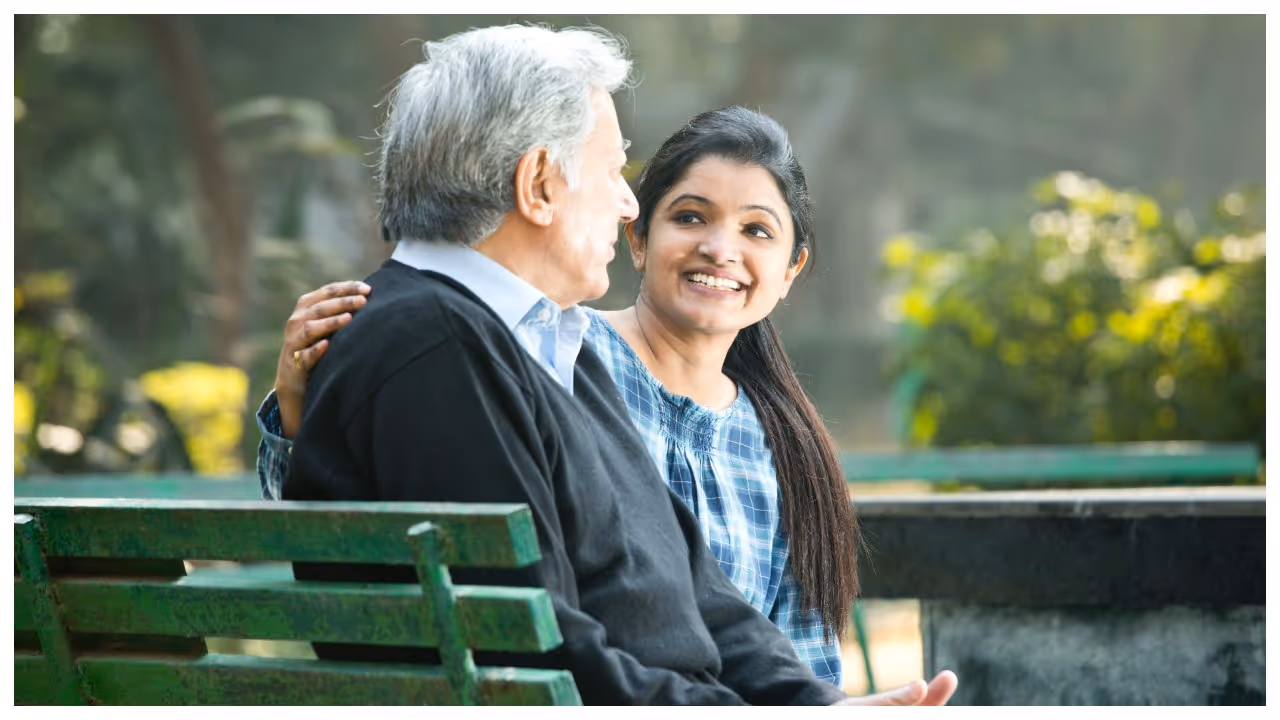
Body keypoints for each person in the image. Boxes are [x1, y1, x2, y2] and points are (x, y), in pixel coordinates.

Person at [264, 23, 957, 706]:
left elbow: (696, 587)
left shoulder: (543, 341)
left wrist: (818, 705)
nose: (628, 203)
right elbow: (537, 650)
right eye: (611, 171)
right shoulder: (435, 348)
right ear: (539, 184)